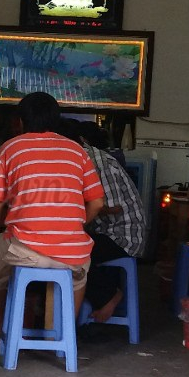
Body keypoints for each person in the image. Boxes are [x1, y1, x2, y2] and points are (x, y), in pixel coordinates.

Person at [0, 94, 105, 347]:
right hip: (72, 254)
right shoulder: (77, 151)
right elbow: (98, 203)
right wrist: (74, 226)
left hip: (24, 249)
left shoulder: (9, 148)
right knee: (78, 279)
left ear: (20, 121)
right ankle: (64, 337)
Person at [69, 120, 148, 324]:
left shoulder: (97, 162)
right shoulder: (78, 159)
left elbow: (112, 207)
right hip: (105, 231)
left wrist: (74, 211)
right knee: (67, 248)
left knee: (71, 253)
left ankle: (108, 296)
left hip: (123, 236)